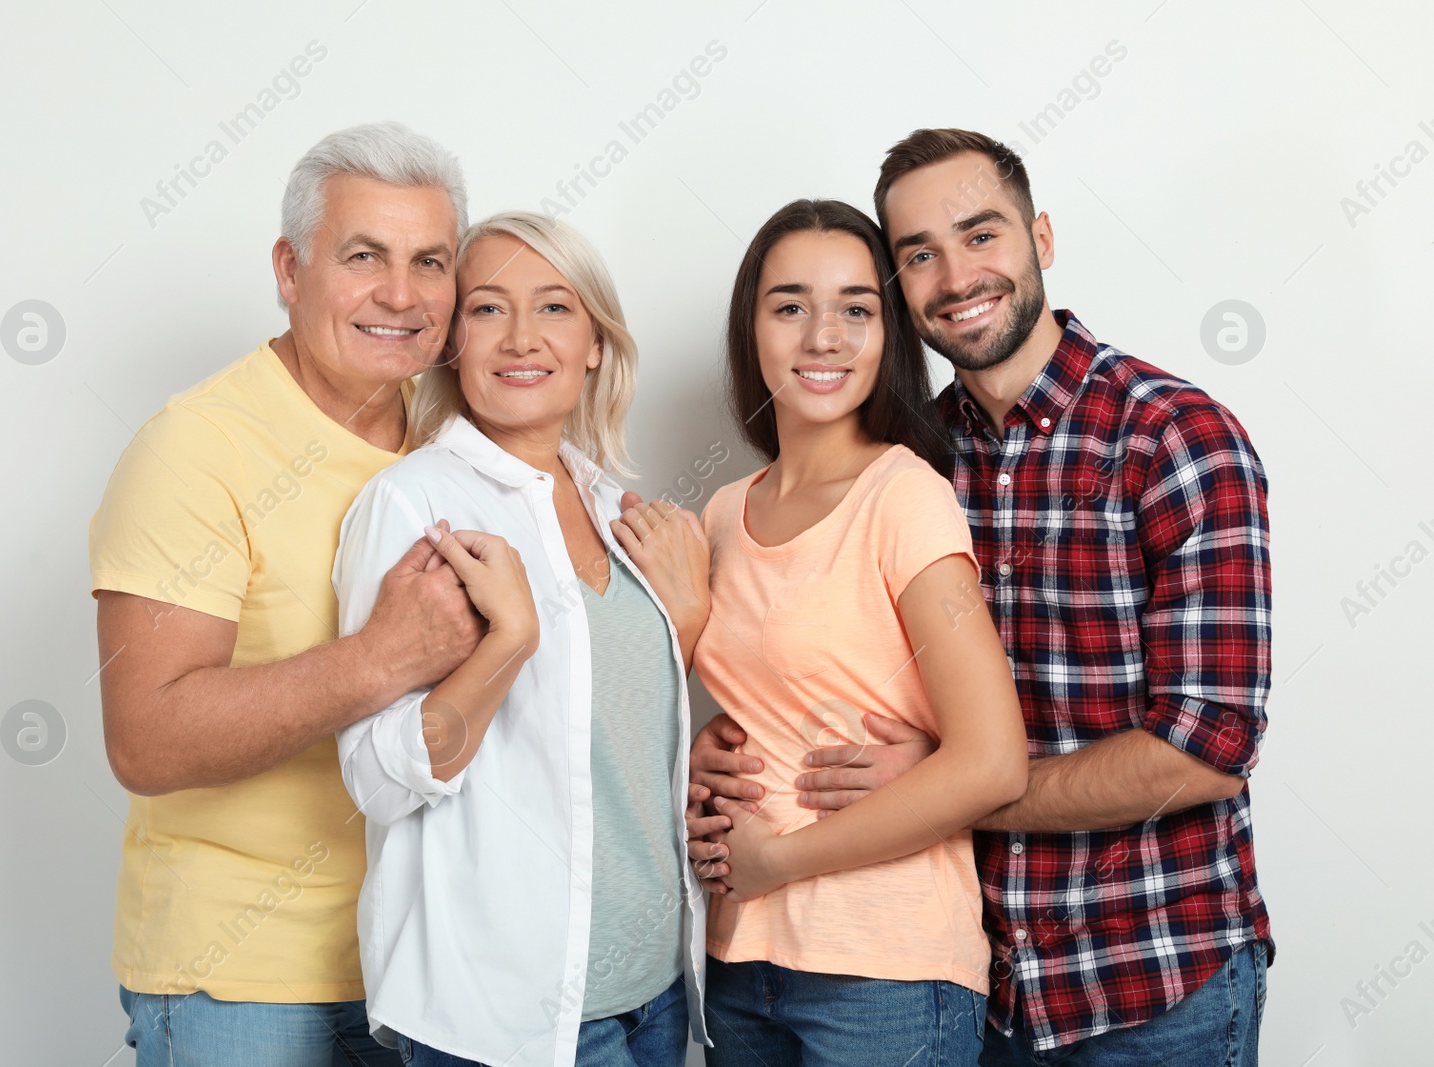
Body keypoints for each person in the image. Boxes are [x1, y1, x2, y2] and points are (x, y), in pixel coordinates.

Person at [692, 130, 1273, 1066]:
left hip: (1149, 974)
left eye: (981, 234)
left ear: (1041, 236)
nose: (956, 274)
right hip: (982, 977)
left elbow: (1209, 750)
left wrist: (954, 783)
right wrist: (719, 750)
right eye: (919, 253)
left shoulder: (1173, 439)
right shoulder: (920, 453)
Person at [89, 122, 482, 1067]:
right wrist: (380, 658)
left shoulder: (460, 442)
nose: (401, 294)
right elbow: (144, 735)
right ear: (290, 269)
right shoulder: (195, 448)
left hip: (428, 969)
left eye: (430, 261)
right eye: (364, 256)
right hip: (244, 980)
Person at [332, 211, 711, 1067]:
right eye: (488, 309)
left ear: (595, 346)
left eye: (554, 307)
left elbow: (611, 734)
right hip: (507, 1015)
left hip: (652, 998)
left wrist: (685, 628)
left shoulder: (624, 515)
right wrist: (508, 640)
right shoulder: (413, 503)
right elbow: (375, 777)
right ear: (452, 342)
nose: (520, 338)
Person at [679, 198, 1028, 1066]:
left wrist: (778, 860)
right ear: (750, 327)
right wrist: (696, 763)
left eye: (856, 310)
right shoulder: (723, 513)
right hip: (737, 958)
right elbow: (774, 702)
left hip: (885, 971)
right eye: (790, 305)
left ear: (888, 335)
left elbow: (991, 760)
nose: (823, 337)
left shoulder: (903, 497)